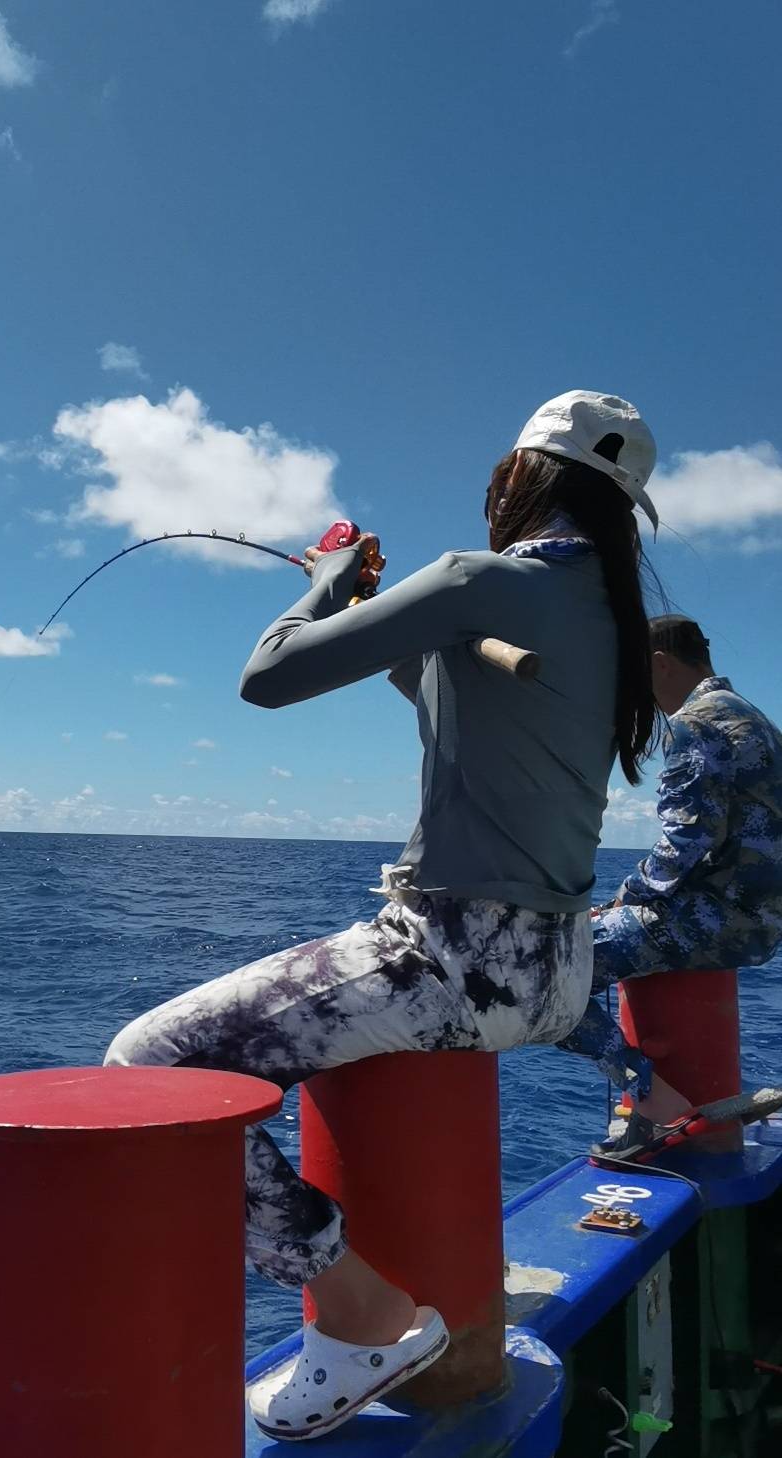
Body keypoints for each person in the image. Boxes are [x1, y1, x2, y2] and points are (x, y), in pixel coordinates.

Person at [105, 390, 660, 1442]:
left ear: (518, 478)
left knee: (151, 1065)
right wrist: (390, 618)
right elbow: (452, 697)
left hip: (453, 959)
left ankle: (364, 1317)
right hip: (562, 970)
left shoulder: (472, 580)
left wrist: (321, 587)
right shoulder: (610, 626)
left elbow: (267, 679)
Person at [557, 615, 782, 1130]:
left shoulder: (696, 722)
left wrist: (623, 897)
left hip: (718, 919)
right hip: (761, 921)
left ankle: (656, 1102)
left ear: (660, 664)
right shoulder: (756, 721)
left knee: (548, 968)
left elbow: (685, 840)